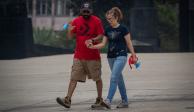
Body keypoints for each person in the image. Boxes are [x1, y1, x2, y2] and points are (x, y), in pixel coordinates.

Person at [56, 2, 109, 109]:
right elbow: (71, 37)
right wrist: (69, 29)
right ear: (81, 11)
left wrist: (92, 40)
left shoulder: (96, 20)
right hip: (79, 56)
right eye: (84, 11)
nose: (85, 13)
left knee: (97, 78)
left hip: (93, 57)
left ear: (91, 11)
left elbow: (100, 35)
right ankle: (67, 100)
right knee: (73, 78)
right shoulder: (76, 20)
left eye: (87, 11)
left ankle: (99, 100)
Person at [86, 7, 137, 109]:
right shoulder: (108, 29)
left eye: (111, 19)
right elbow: (103, 44)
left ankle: (108, 101)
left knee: (114, 77)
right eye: (107, 19)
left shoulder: (123, 29)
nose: (109, 21)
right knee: (119, 79)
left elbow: (129, 42)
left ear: (116, 17)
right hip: (110, 57)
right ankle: (125, 101)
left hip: (121, 56)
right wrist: (92, 47)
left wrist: (133, 55)